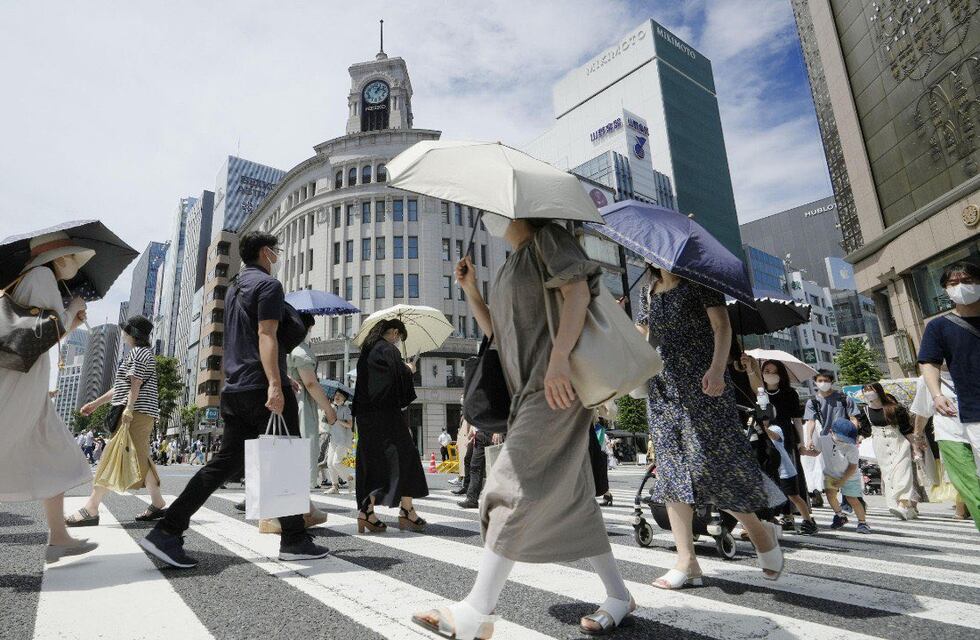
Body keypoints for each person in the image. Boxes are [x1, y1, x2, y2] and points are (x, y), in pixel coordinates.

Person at [414, 220, 634, 639]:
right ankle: (619, 595)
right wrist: (471, 291)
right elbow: (499, 333)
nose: (495, 217)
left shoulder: (547, 239)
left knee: (508, 484)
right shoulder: (512, 262)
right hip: (528, 390)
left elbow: (578, 292)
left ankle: (478, 609)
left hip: (555, 384)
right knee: (576, 499)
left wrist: (558, 361)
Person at [139, 231, 329, 568]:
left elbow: (243, 341)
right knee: (283, 460)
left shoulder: (235, 288)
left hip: (235, 388)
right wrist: (275, 383)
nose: (278, 256)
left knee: (223, 464)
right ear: (267, 253)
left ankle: (167, 531)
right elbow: (265, 335)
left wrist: (280, 377)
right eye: (277, 251)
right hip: (261, 387)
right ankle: (295, 539)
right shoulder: (269, 286)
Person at [636, 264, 784, 590]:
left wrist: (718, 370)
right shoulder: (647, 290)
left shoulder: (701, 281)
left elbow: (722, 328)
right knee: (672, 472)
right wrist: (628, 329)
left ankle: (759, 531)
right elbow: (650, 338)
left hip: (705, 386)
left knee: (709, 470)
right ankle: (687, 562)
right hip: (663, 390)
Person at [0, 231, 98, 562]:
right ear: (59, 258)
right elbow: (46, 333)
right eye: (72, 257)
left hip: (27, 385)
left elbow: (39, 335)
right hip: (17, 386)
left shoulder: (28, 279)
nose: (75, 265)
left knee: (56, 453)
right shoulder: (42, 276)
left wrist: (69, 316)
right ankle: (58, 536)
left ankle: (59, 536)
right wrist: (72, 308)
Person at [66, 316, 169, 526]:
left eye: (125, 330)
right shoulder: (138, 353)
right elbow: (121, 388)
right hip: (138, 412)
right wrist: (95, 403)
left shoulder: (139, 353)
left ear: (132, 333)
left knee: (111, 456)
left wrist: (129, 410)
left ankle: (91, 508)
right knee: (138, 457)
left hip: (136, 412)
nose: (122, 334)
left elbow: (136, 384)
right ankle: (157, 503)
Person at [351, 319, 429, 533]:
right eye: (399, 336)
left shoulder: (367, 351)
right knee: (407, 457)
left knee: (370, 461)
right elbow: (396, 383)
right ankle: (407, 511)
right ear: (393, 332)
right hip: (387, 416)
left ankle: (366, 511)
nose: (397, 340)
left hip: (365, 417)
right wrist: (409, 370)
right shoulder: (389, 350)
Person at [918, 260, 980, 470]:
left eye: (967, 280)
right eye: (953, 283)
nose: (960, 286)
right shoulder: (938, 326)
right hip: (975, 409)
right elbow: (929, 362)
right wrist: (937, 395)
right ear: (945, 290)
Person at [910, 375, 980, 529]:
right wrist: (917, 436)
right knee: (970, 484)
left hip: (976, 432)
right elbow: (922, 411)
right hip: (952, 436)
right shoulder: (928, 379)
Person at [760, 359, 814, 533]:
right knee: (771, 477)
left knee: (788, 478)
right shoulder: (758, 393)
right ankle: (778, 516)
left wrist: (801, 442)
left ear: (781, 374)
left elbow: (797, 420)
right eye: (766, 370)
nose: (769, 374)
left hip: (785, 437)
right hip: (764, 438)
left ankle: (793, 515)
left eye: (773, 371)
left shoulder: (789, 393)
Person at [860, 382, 919, 519]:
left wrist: (915, 447)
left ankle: (903, 504)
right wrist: (860, 438)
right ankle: (905, 508)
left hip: (898, 442)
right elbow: (866, 431)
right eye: (866, 391)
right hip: (880, 444)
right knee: (888, 475)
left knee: (902, 473)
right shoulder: (865, 411)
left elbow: (907, 430)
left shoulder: (894, 408)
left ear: (878, 391)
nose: (868, 393)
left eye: (871, 390)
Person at [811, 418, 870, 532]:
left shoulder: (852, 447)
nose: (844, 442)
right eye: (841, 439)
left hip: (850, 475)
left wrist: (843, 480)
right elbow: (816, 452)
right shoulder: (822, 440)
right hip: (831, 473)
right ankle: (840, 516)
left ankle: (862, 523)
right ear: (831, 432)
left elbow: (852, 467)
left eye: (847, 440)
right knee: (830, 495)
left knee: (852, 499)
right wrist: (804, 451)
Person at [457, 428, 501, 509]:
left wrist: (499, 430)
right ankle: (472, 499)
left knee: (499, 467)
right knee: (475, 467)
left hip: (494, 431)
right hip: (480, 433)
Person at [323, 388, 354, 494]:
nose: (337, 396)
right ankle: (334, 486)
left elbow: (350, 425)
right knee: (329, 463)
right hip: (333, 439)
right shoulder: (331, 408)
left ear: (344, 399)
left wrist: (337, 420)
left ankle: (351, 478)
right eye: (336, 394)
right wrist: (327, 412)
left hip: (344, 440)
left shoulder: (346, 409)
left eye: (340, 395)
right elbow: (326, 422)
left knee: (336, 463)